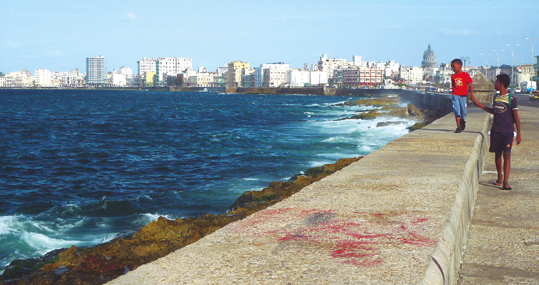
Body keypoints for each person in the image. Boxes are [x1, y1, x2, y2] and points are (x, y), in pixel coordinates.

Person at [471, 73, 522, 190]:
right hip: (496, 131)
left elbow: (516, 117)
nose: (495, 84)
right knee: (497, 155)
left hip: (508, 132)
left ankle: (506, 181)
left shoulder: (512, 99)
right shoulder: (496, 97)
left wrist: (518, 133)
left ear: (501, 84)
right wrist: (479, 105)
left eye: (496, 82)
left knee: (507, 155)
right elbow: (495, 111)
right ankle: (499, 178)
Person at [451, 59, 474, 133]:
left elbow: (470, 85)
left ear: (459, 66)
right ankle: (458, 126)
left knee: (463, 111)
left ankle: (462, 120)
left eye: (454, 67)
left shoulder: (465, 75)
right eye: (452, 67)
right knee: (456, 111)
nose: (453, 69)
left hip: (463, 96)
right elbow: (453, 86)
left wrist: (472, 95)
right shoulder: (453, 76)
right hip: (455, 95)